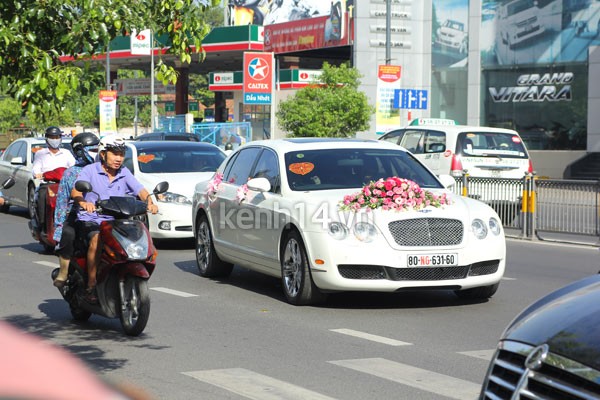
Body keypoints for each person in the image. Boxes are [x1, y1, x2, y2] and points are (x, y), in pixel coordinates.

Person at [71, 136, 158, 304]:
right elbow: (76, 192)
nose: (119, 158)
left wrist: (150, 202)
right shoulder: (89, 170)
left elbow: (140, 190)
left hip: (116, 220)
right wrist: (83, 202)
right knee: (96, 239)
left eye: (121, 154)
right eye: (115, 154)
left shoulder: (124, 172)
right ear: (103, 154)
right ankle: (91, 284)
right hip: (93, 219)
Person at [51, 132, 100, 288]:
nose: (97, 154)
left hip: (104, 213)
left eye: (98, 150)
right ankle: (64, 271)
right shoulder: (71, 173)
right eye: (92, 150)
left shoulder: (105, 170)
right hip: (77, 214)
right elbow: (62, 202)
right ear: (80, 151)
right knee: (68, 233)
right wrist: (59, 225)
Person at [31, 126, 76, 231]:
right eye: (52, 137)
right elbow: (35, 169)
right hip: (48, 185)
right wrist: (39, 174)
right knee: (42, 196)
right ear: (46, 138)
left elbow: (73, 167)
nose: (54, 139)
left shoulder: (66, 153)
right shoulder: (41, 154)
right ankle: (42, 224)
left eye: (57, 137)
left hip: (64, 185)